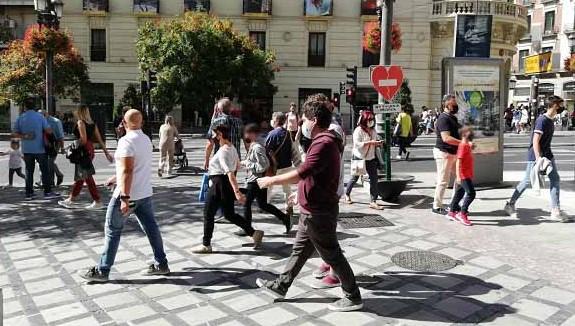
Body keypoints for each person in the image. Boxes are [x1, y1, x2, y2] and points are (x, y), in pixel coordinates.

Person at [255, 95, 362, 312]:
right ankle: (281, 285)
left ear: (313, 120)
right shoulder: (324, 140)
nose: (302, 124)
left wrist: (270, 180)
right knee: (299, 250)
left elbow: (302, 173)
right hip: (311, 207)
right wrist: (299, 195)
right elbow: (312, 176)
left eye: (303, 119)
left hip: (318, 211)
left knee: (332, 254)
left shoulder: (324, 143)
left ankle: (353, 296)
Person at [80, 109, 170, 282]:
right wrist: (116, 177)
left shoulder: (125, 141)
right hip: (144, 193)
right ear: (141, 122)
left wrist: (124, 197)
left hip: (129, 195)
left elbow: (128, 170)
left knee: (112, 230)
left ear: (124, 122)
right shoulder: (145, 140)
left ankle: (103, 270)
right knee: (151, 228)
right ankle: (161, 263)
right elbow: (134, 167)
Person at [193, 125, 264, 254]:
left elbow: (230, 173)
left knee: (208, 213)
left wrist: (237, 192)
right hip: (224, 185)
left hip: (218, 184)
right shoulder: (233, 148)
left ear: (220, 134)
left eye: (215, 134)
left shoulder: (223, 151)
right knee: (229, 214)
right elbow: (238, 165)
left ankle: (206, 244)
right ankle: (254, 233)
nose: (213, 137)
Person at [504, 96, 570, 222]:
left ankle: (555, 210)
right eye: (561, 105)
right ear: (555, 105)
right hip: (536, 156)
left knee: (555, 180)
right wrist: (538, 158)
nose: (562, 107)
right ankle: (510, 204)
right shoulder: (542, 120)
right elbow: (535, 141)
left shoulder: (550, 120)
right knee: (527, 181)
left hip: (548, 155)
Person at [241, 123, 292, 234]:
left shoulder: (257, 147)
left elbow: (264, 165)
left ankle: (247, 229)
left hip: (256, 180)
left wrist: (246, 164)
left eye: (246, 134)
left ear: (253, 134)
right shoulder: (254, 146)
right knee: (263, 204)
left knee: (247, 203)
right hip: (259, 180)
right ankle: (285, 218)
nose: (245, 137)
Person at [58, 105, 113, 210]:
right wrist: (106, 153)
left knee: (86, 176)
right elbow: (100, 139)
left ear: (79, 112)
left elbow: (83, 139)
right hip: (90, 149)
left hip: (83, 150)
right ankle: (71, 199)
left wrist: (71, 146)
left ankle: (97, 201)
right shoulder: (92, 124)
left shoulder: (80, 122)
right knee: (82, 175)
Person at [11, 98, 59, 200]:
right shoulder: (40, 117)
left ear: (25, 106)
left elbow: (14, 134)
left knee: (29, 170)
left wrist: (25, 136)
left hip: (27, 149)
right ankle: (47, 192)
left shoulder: (21, 118)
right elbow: (49, 130)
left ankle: (29, 193)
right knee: (44, 170)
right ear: (35, 106)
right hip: (40, 148)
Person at [344, 110, 385, 210]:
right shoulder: (358, 130)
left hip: (370, 158)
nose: (371, 121)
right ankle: (347, 194)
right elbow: (357, 144)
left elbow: (374, 143)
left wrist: (378, 143)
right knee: (355, 178)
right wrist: (370, 142)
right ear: (364, 120)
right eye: (369, 119)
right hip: (359, 157)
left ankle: (373, 201)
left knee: (374, 178)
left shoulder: (373, 130)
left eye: (372, 119)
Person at [432, 94, 461, 215]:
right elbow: (446, 138)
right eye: (453, 103)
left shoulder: (452, 117)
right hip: (444, 152)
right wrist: (464, 143)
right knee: (443, 181)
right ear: (447, 104)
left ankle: (454, 204)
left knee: (460, 178)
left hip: (453, 153)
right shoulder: (443, 118)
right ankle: (437, 206)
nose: (455, 105)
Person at [266, 112, 295, 216]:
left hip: (274, 166)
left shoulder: (272, 134)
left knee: (268, 185)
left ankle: (265, 204)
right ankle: (289, 207)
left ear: (276, 121)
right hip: (287, 164)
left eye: (272, 119)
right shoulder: (288, 133)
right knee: (287, 188)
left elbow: (267, 150)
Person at [204, 98, 244, 170]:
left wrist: (207, 160)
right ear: (231, 109)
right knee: (231, 178)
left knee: (220, 180)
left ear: (219, 109)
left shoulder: (215, 122)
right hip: (235, 157)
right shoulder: (239, 122)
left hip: (220, 158)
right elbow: (247, 141)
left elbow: (210, 144)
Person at [447, 126, 475, 226]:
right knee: (471, 194)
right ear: (464, 134)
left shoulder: (466, 145)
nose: (472, 133)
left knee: (459, 193)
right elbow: (458, 161)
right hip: (463, 175)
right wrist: (458, 176)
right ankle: (462, 213)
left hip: (466, 174)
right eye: (469, 131)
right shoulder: (463, 146)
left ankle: (452, 211)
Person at [40, 110, 65, 187]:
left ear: (45, 114)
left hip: (54, 144)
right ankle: (58, 175)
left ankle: (50, 183)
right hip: (43, 144)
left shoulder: (55, 121)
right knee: (44, 162)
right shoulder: (40, 121)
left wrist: (62, 148)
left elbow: (60, 136)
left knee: (49, 162)